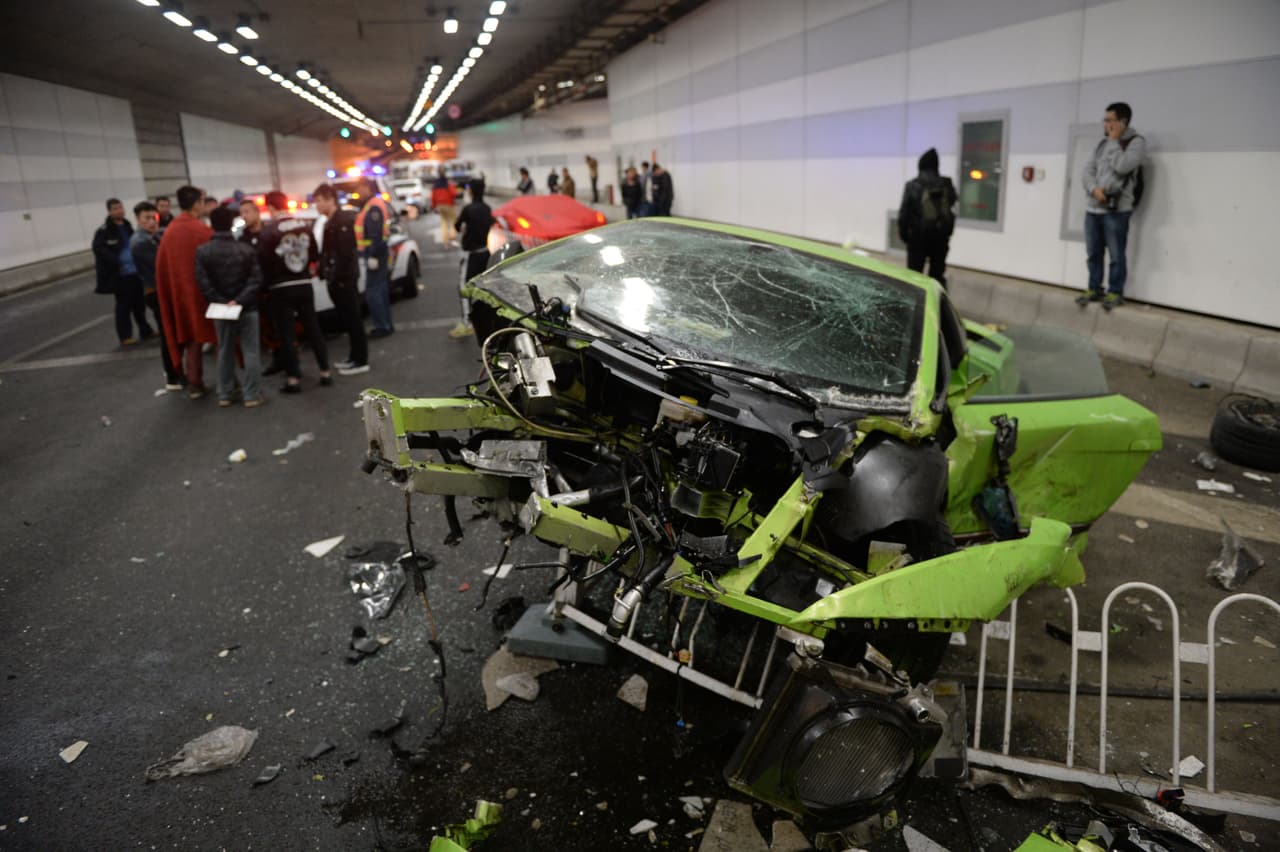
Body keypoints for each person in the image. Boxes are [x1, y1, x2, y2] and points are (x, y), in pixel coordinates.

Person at [258, 190, 331, 392]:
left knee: (287, 334)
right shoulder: (305, 227)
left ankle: (293, 379)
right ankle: (325, 372)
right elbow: (315, 254)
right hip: (304, 283)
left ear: (271, 207)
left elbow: (263, 261)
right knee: (313, 328)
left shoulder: (269, 230)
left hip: (281, 288)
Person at [1078, 101, 1146, 311]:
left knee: (1116, 255)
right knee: (1094, 252)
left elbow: (1123, 166)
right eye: (1105, 120)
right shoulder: (1101, 144)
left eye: (1110, 120)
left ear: (1122, 122)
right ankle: (1094, 288)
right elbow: (1087, 171)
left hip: (1117, 211)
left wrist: (1115, 141)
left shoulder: (1136, 143)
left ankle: (1115, 291)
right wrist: (1093, 189)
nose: (1106, 124)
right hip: (1093, 208)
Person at [195, 205, 265, 408]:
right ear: (232, 224)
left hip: (221, 309)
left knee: (225, 350)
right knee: (251, 350)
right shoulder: (245, 249)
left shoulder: (203, 251)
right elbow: (255, 280)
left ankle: (225, 394)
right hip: (247, 307)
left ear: (212, 224)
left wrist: (222, 301)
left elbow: (203, 283)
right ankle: (251, 395)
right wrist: (239, 300)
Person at [155, 185, 216, 399]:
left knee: (192, 340)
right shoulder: (201, 231)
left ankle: (195, 384)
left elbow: (162, 267)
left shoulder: (170, 231)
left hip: (180, 295)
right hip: (203, 294)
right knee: (218, 337)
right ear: (197, 204)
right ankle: (228, 383)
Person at [313, 183, 368, 376]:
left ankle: (361, 360)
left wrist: (337, 277)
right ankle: (353, 356)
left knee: (353, 320)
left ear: (331, 200)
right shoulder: (330, 221)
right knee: (348, 320)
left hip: (344, 279)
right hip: (337, 279)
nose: (317, 205)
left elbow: (344, 255)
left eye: (319, 201)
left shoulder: (342, 220)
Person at [129, 201, 183, 390]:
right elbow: (163, 264)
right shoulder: (140, 242)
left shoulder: (156, 235)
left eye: (155, 217)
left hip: (163, 291)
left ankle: (176, 371)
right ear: (137, 219)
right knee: (168, 334)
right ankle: (172, 376)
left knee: (173, 332)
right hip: (155, 293)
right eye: (147, 218)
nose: (152, 222)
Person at [92, 197, 153, 346]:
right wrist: (116, 261)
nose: (119, 211)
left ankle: (145, 330)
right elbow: (99, 249)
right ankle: (125, 335)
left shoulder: (127, 226)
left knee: (139, 303)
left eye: (120, 207)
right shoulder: (104, 231)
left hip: (135, 272)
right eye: (115, 208)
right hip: (121, 275)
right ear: (109, 211)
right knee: (124, 306)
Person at [897, 147, 957, 288]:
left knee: (914, 277)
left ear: (921, 166)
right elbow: (952, 204)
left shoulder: (912, 185)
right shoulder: (946, 184)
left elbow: (903, 215)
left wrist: (906, 236)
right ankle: (937, 307)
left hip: (918, 238)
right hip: (941, 238)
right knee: (937, 277)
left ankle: (915, 308)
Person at [237, 197, 282, 376]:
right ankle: (276, 359)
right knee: (267, 329)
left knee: (281, 327)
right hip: (256, 291)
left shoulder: (270, 232)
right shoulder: (243, 238)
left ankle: (287, 359)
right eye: (241, 213)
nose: (244, 216)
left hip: (275, 287)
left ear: (257, 212)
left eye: (247, 211)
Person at [451, 178, 495, 339]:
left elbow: (457, 226)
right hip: (485, 252)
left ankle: (466, 323)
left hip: (471, 255)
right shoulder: (487, 208)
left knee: (464, 287)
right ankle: (487, 318)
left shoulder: (468, 209)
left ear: (471, 191)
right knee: (484, 287)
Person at [356, 180, 394, 338]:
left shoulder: (373, 207)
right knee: (380, 289)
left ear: (367, 187)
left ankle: (382, 326)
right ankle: (386, 325)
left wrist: (371, 256)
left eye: (359, 188)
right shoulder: (373, 204)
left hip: (375, 254)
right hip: (378, 252)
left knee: (373, 292)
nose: (357, 192)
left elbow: (375, 235)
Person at [431, 171, 457, 246]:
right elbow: (453, 194)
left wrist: (433, 206)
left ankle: (446, 241)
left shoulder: (435, 186)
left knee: (444, 223)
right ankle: (452, 237)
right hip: (449, 205)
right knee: (452, 221)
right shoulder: (448, 184)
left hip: (440, 206)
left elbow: (433, 197)